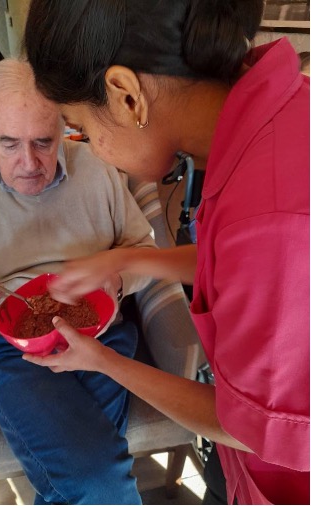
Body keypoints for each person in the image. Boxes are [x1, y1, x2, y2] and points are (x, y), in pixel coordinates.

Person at [22, 1, 310, 504]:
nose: (88, 145)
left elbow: (246, 427)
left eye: (83, 129)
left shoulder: (269, 213)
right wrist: (127, 259)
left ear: (127, 96)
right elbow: (237, 269)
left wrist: (102, 361)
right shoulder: (271, 119)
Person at [0, 58, 157, 504]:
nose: (28, 164)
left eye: (44, 141)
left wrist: (114, 282)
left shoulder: (98, 170)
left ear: (64, 126)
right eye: (8, 144)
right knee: (98, 475)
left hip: (99, 336)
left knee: (88, 477)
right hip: (10, 349)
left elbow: (147, 254)